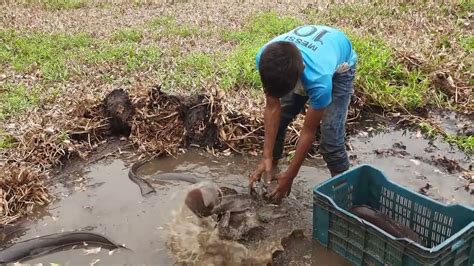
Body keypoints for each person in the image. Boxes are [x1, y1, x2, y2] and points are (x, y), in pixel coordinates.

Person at [248, 25, 357, 203]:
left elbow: (308, 131)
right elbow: (272, 106)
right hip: (307, 56)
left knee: (331, 140)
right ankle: (272, 167)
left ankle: (345, 197)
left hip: (340, 68)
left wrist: (291, 175)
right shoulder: (265, 57)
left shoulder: (320, 82)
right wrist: (265, 155)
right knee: (281, 118)